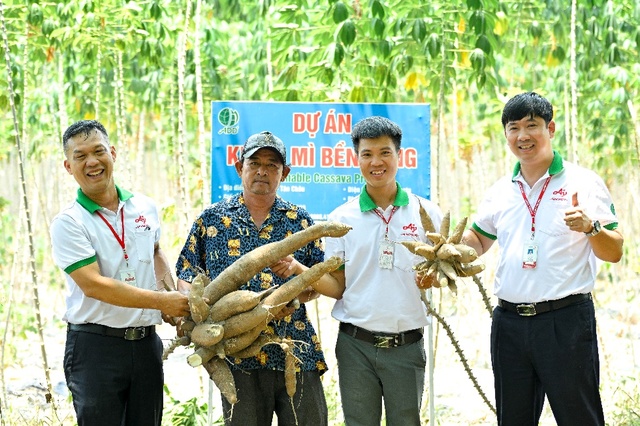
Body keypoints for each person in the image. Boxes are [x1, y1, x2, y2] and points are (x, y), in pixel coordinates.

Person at [461, 92, 624, 426]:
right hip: (509, 325)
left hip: (564, 322)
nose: (523, 136)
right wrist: (448, 250)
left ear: (550, 128)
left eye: (532, 125)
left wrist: (591, 227)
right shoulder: (500, 191)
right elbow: (477, 240)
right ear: (506, 135)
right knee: (513, 419)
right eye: (513, 127)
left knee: (580, 417)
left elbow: (615, 251)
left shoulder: (583, 182)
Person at [282, 116, 443, 425]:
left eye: (385, 152)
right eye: (367, 154)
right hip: (356, 345)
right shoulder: (342, 218)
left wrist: (434, 277)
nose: (376, 162)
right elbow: (339, 286)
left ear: (400, 156)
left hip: (406, 345)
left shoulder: (425, 212)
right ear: (356, 159)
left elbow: (440, 268)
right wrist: (302, 270)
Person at [175, 131, 328, 426]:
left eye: (272, 165)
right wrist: (198, 316)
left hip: (293, 346)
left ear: (284, 173)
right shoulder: (211, 220)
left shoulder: (300, 221)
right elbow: (186, 275)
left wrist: (293, 296)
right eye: (254, 162)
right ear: (239, 168)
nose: (262, 171)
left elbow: (316, 282)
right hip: (236, 355)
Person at [50, 120, 191, 426]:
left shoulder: (144, 207)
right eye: (80, 156)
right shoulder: (69, 222)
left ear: (112, 153)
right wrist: (161, 302)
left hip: (145, 347)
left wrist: (171, 298)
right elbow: (95, 285)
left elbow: (155, 254)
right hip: (96, 349)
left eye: (99, 151)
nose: (92, 162)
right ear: (68, 166)